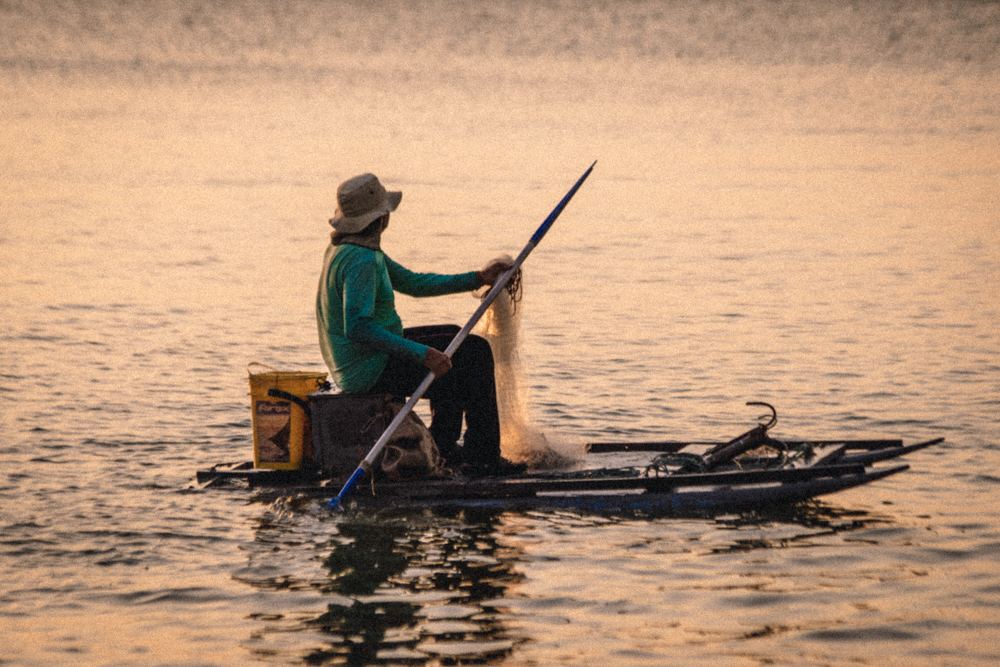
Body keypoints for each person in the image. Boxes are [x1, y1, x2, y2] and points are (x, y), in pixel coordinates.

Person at [316, 173, 526, 477]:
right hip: (368, 369)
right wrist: (423, 354)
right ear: (381, 218)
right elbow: (358, 326)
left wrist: (478, 278)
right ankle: (483, 458)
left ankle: (443, 446)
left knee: (457, 343)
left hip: (368, 359)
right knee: (475, 355)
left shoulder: (357, 249)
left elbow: (414, 283)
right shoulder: (359, 260)